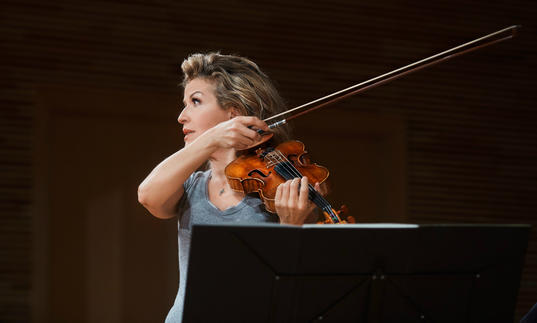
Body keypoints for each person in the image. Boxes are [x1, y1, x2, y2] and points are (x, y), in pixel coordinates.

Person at [137, 52, 324, 322]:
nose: (181, 116)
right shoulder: (190, 185)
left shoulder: (278, 187)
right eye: (185, 103)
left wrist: (290, 228)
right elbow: (147, 196)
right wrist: (213, 138)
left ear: (233, 113)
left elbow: (291, 293)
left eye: (195, 102)